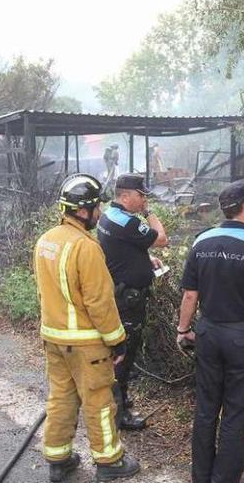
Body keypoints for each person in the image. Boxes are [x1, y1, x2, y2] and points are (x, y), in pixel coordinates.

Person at [33, 173, 140, 482]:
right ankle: (109, 462)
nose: (100, 213)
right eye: (97, 207)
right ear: (82, 211)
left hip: (53, 338)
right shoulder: (86, 248)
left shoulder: (46, 241)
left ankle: (59, 459)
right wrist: (117, 339)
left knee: (61, 398)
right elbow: (99, 302)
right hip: (86, 343)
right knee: (99, 401)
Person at [176, 179, 244, 483]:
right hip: (242, 340)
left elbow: (190, 296)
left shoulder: (201, 241)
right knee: (235, 415)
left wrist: (184, 330)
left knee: (206, 409)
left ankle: (201, 476)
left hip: (207, 334)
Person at [97, 173, 169, 430]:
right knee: (122, 356)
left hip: (119, 291)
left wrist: (142, 260)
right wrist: (149, 213)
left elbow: (119, 248)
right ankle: (119, 415)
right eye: (141, 196)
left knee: (121, 353)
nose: (144, 200)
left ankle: (119, 405)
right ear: (125, 195)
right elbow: (162, 238)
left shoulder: (108, 216)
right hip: (128, 298)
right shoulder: (128, 222)